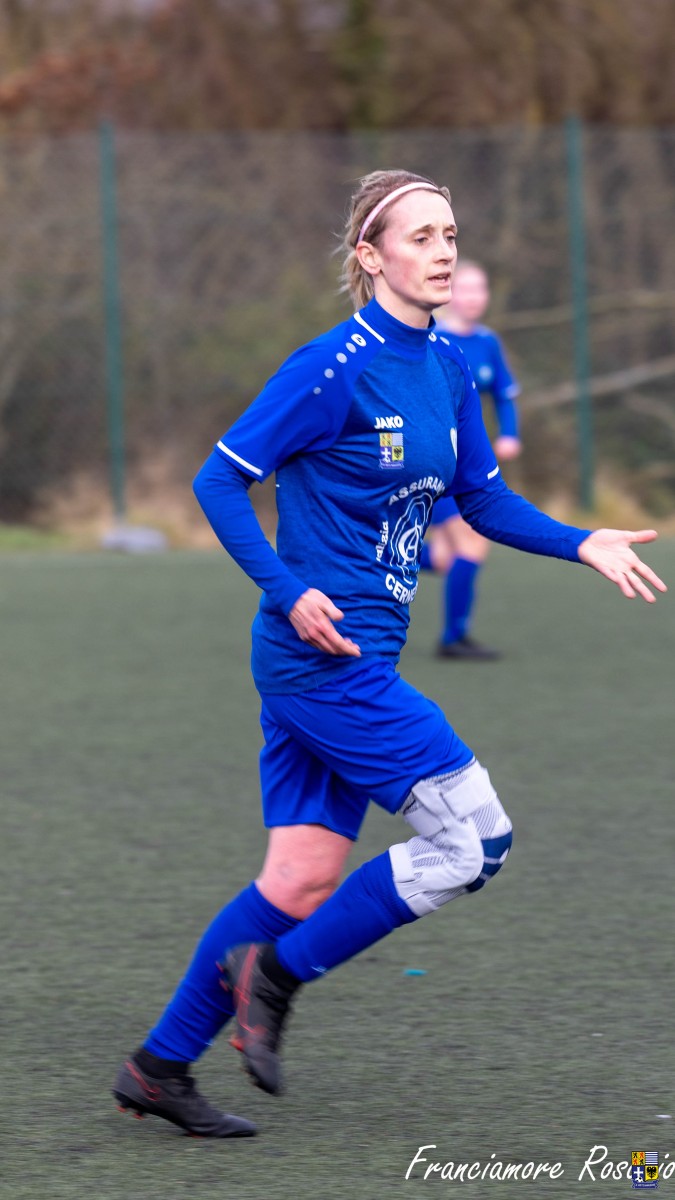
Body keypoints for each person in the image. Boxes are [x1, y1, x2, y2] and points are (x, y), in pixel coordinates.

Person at [113, 169, 666, 1133]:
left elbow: (481, 501)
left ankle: (158, 1067)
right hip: (318, 661)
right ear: (369, 257)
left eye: (450, 232)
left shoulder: (447, 367)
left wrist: (581, 540)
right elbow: (216, 481)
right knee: (474, 839)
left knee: (297, 880)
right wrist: (289, 593)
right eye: (419, 236)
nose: (442, 250)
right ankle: (275, 979)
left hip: (354, 658)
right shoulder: (330, 370)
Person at [422, 260, 522, 659]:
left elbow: (505, 393)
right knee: (474, 543)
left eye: (480, 289)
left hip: (465, 467)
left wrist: (510, 434)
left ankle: (370, 560)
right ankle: (453, 639)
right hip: (434, 465)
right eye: (465, 288)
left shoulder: (488, 342)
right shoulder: (430, 341)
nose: (473, 297)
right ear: (448, 293)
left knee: (447, 558)